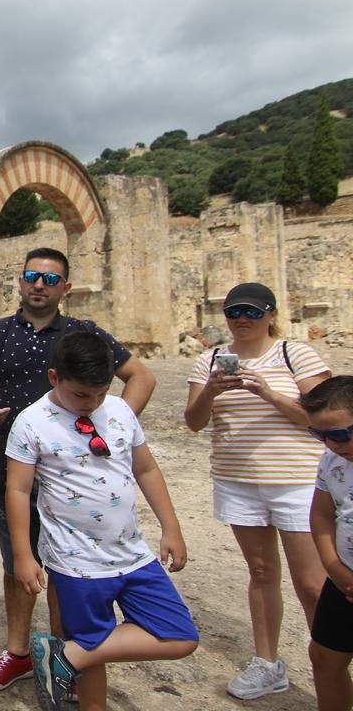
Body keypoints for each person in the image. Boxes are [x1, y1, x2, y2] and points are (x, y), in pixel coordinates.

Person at [0, 247, 156, 696]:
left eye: (50, 279)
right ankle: (18, 655)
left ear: (65, 288)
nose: (39, 284)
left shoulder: (83, 334)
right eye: (32, 275)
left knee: (69, 572)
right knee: (18, 565)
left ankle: (63, 655)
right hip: (12, 473)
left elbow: (141, 377)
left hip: (75, 481)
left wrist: (111, 431)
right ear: (20, 280)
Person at [8, 331, 198, 711]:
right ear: (53, 377)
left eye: (99, 393)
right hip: (76, 562)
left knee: (180, 635)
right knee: (92, 640)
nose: (91, 403)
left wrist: (171, 527)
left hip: (132, 554)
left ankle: (68, 656)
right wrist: (23, 555)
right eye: (80, 395)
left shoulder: (119, 411)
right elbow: (17, 490)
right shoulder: (31, 422)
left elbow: (145, 469)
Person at [185, 281, 331, 699]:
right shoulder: (208, 360)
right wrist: (212, 389)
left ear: (271, 314)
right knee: (262, 573)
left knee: (312, 583)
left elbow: (321, 417)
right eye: (234, 312)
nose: (242, 319)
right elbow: (194, 423)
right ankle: (268, 664)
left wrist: (266, 392)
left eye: (252, 311)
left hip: (298, 483)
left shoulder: (294, 354)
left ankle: (329, 663)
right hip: (238, 483)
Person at [300, 376, 353, 711]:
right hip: (344, 580)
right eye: (320, 435)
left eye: (338, 434)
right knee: (324, 656)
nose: (332, 444)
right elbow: (321, 516)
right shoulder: (332, 462)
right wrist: (334, 568)